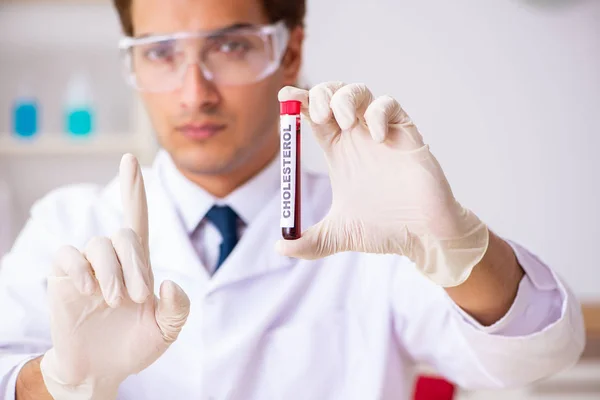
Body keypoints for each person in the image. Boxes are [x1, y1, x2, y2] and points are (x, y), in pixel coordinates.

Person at [0, 0, 585, 399]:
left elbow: (538, 352)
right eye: (160, 52)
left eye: (229, 46)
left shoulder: (378, 228)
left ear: (291, 50)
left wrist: (457, 248)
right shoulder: (67, 226)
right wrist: (60, 379)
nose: (193, 91)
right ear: (131, 60)